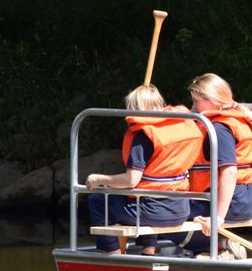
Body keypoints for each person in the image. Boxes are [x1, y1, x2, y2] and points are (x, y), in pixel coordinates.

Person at [86, 84, 202, 255]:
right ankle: (148, 250)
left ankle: (112, 254)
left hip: (154, 212)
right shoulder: (179, 128)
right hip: (181, 209)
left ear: (135, 108)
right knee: (147, 194)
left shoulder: (143, 136)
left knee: (98, 200)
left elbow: (131, 180)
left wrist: (99, 179)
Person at [175, 73, 252, 259]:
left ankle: (218, 245)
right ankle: (211, 247)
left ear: (213, 100)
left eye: (196, 101)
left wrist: (217, 218)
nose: (192, 107)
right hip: (246, 198)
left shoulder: (219, 128)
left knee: (163, 213)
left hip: (232, 201)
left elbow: (230, 172)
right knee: (167, 208)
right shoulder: (234, 119)